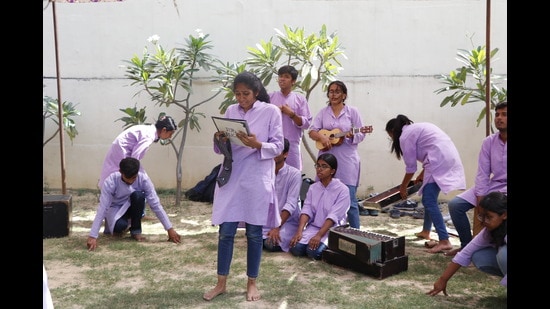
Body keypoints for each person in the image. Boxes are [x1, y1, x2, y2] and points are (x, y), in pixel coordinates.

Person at [203, 71, 284, 302]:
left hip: (257, 177)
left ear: (256, 92)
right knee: (225, 231)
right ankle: (221, 283)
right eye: (237, 94)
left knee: (254, 233)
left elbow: (278, 147)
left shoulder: (271, 112)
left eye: (245, 94)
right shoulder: (231, 111)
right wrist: (220, 139)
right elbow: (221, 150)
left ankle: (252, 283)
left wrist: (257, 144)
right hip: (232, 175)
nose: (241, 99)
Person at [385, 114, 466, 254]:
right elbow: (430, 148)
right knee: (429, 199)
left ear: (393, 132)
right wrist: (423, 174)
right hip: (444, 158)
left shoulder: (405, 136)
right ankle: (426, 231)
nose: (391, 139)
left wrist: (403, 186)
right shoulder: (415, 128)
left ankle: (444, 241)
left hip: (439, 161)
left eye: (390, 136)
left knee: (428, 200)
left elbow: (410, 168)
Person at [445, 101, 507, 257]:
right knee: (455, 205)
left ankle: (499, 249)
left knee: (497, 209)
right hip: (493, 185)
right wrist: (480, 199)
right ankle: (466, 246)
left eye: (504, 115)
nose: (499, 118)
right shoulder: (489, 142)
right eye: (497, 114)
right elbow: (482, 174)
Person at [308, 80, 373, 228]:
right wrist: (322, 137)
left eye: (337, 91)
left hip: (346, 160)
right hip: (325, 160)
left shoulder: (352, 112)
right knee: (321, 195)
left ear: (344, 95)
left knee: (350, 199)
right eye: (331, 91)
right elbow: (312, 131)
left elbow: (361, 133)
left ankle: (357, 235)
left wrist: (352, 136)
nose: (334, 94)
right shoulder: (323, 112)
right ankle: (320, 230)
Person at [87, 157, 181, 250]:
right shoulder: (111, 181)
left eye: (133, 178)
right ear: (120, 172)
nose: (130, 181)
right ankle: (123, 226)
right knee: (119, 227)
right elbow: (103, 208)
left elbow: (155, 204)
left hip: (133, 207)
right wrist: (93, 235)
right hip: (115, 209)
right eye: (127, 178)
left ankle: (135, 231)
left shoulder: (143, 179)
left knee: (138, 195)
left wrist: (169, 229)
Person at [427, 191, 507, 296]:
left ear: (504, 215)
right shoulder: (490, 230)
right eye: (482, 216)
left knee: (503, 254)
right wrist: (443, 280)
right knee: (479, 256)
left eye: (489, 217)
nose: (484, 221)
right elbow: (466, 252)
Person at [289, 153, 350, 260]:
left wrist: (319, 235)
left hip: (332, 230)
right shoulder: (313, 188)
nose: (319, 169)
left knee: (313, 252)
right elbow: (306, 209)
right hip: (314, 227)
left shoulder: (343, 190)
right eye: (318, 165)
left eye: (324, 166)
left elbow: (333, 216)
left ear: (332, 171)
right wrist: (299, 231)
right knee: (296, 248)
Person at [98, 115, 177, 190]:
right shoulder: (149, 136)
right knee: (130, 176)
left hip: (121, 148)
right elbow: (135, 158)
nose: (170, 137)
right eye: (170, 134)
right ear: (164, 130)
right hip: (122, 150)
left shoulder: (148, 130)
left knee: (115, 172)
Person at [269, 65, 313, 171]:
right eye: (280, 76)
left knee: (294, 177)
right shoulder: (270, 97)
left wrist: (292, 114)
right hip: (273, 145)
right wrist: (275, 111)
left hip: (292, 147)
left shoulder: (300, 99)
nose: (282, 79)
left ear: (293, 81)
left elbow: (307, 123)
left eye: (286, 76)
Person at [263, 138, 302, 252]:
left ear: (286, 154)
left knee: (270, 243)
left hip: (287, 222)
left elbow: (291, 204)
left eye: (277, 151)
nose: (273, 154)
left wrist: (277, 227)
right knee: (253, 238)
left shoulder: (294, 174)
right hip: (266, 221)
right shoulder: (264, 172)